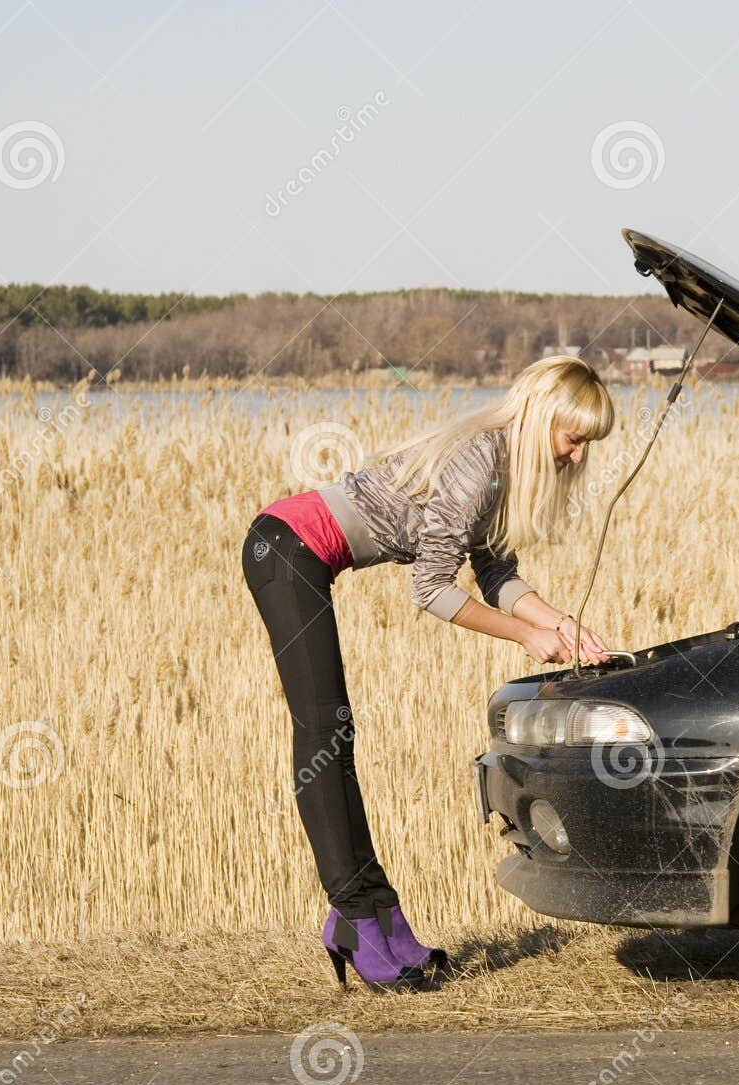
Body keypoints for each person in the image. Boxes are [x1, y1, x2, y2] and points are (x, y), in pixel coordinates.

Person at [241, 356, 614, 990]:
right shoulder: (477, 461)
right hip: (284, 548)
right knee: (327, 735)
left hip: (304, 555)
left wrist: (558, 623)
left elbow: (495, 575)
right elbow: (432, 588)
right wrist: (527, 635)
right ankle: (358, 915)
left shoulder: (502, 473)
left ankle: (373, 911)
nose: (577, 457)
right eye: (573, 438)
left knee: (337, 734)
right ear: (539, 417)